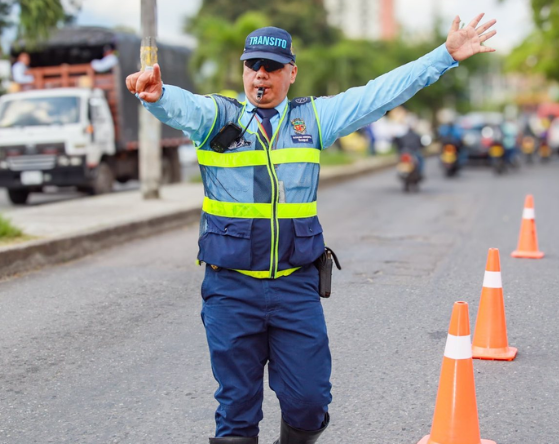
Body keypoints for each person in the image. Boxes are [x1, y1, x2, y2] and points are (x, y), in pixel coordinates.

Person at [126, 13, 496, 444]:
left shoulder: (314, 120)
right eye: (252, 66)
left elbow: (379, 94)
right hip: (231, 289)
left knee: (310, 401)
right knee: (236, 408)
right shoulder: (216, 118)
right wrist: (156, 95)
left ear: (291, 73)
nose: (259, 76)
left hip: (294, 287)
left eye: (271, 67)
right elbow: (181, 105)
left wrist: (444, 56)